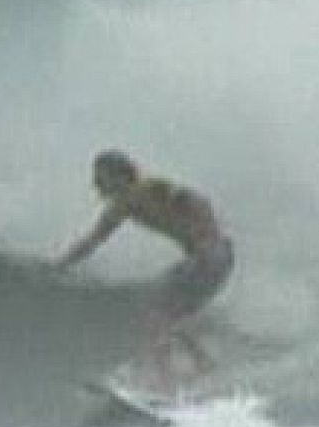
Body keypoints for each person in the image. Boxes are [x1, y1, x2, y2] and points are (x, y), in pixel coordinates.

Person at [51, 150, 233, 394]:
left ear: (118, 175)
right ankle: (202, 364)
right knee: (165, 316)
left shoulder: (146, 190)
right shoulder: (123, 205)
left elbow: (196, 199)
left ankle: (164, 382)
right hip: (215, 259)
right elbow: (93, 240)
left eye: (101, 177)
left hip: (209, 258)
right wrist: (62, 263)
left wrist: (204, 238)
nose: (96, 184)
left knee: (155, 316)